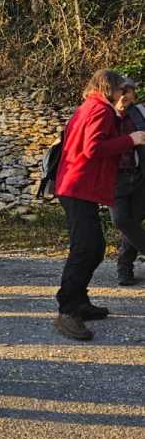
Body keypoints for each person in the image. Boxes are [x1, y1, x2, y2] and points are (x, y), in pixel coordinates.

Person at [54, 70, 145, 340]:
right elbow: (92, 148)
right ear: (109, 88)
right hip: (78, 187)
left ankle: (78, 302)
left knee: (92, 247)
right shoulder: (99, 110)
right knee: (86, 248)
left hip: (77, 187)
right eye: (120, 89)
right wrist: (131, 139)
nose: (123, 94)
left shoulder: (92, 107)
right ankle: (68, 310)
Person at [110, 78, 145, 286]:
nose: (125, 95)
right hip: (116, 177)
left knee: (133, 222)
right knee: (121, 220)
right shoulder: (106, 114)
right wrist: (118, 111)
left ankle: (124, 268)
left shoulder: (141, 112)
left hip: (139, 175)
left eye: (128, 91)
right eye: (121, 91)